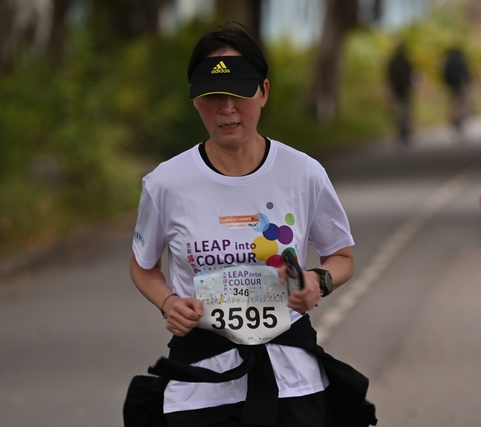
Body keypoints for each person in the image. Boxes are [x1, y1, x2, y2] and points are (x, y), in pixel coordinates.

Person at [123, 23, 377, 427]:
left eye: (239, 93)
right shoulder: (166, 183)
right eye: (212, 96)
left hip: (291, 381)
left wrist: (318, 281)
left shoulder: (303, 173)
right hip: (200, 382)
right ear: (196, 101)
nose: (227, 108)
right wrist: (169, 303)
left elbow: (341, 257)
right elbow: (142, 265)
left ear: (263, 92)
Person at [442, 47, 472, 139]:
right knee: (462, 103)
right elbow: (465, 73)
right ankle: (459, 119)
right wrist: (467, 83)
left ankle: (455, 119)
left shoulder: (448, 62)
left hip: (452, 85)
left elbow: (445, 74)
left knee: (454, 103)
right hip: (460, 84)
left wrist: (448, 84)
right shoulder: (461, 60)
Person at [387, 42, 414, 144]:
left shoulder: (392, 63)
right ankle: (405, 129)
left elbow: (389, 77)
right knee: (406, 110)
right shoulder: (406, 62)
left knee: (398, 110)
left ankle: (400, 129)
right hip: (405, 90)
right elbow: (409, 77)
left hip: (396, 89)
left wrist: (391, 89)